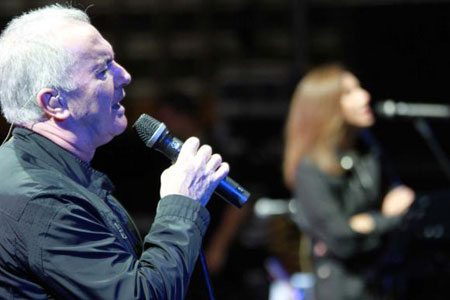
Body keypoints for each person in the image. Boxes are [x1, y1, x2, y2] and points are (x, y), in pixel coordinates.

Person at [0, 4, 229, 300]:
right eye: (102, 69)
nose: (125, 76)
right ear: (54, 102)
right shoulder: (42, 200)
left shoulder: (49, 175)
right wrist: (181, 204)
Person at [282, 63, 415, 300]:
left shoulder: (368, 154)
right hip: (343, 290)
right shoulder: (310, 168)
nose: (365, 96)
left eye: (360, 88)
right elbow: (341, 237)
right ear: (325, 107)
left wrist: (365, 223)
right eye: (349, 93)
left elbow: (402, 204)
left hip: (384, 282)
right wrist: (384, 218)